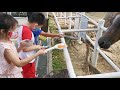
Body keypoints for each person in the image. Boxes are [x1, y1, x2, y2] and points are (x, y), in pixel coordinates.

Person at [0, 13, 45, 78]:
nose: (16, 32)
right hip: (10, 75)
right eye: (13, 30)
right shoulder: (5, 48)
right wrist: (37, 54)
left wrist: (21, 47)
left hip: (13, 72)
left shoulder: (9, 42)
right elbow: (19, 63)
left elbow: (14, 54)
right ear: (3, 31)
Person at [17, 12, 50, 78]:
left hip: (23, 58)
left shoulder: (22, 27)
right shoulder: (27, 31)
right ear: (35, 24)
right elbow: (25, 49)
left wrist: (38, 47)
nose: (36, 29)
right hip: (27, 60)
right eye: (37, 27)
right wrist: (37, 47)